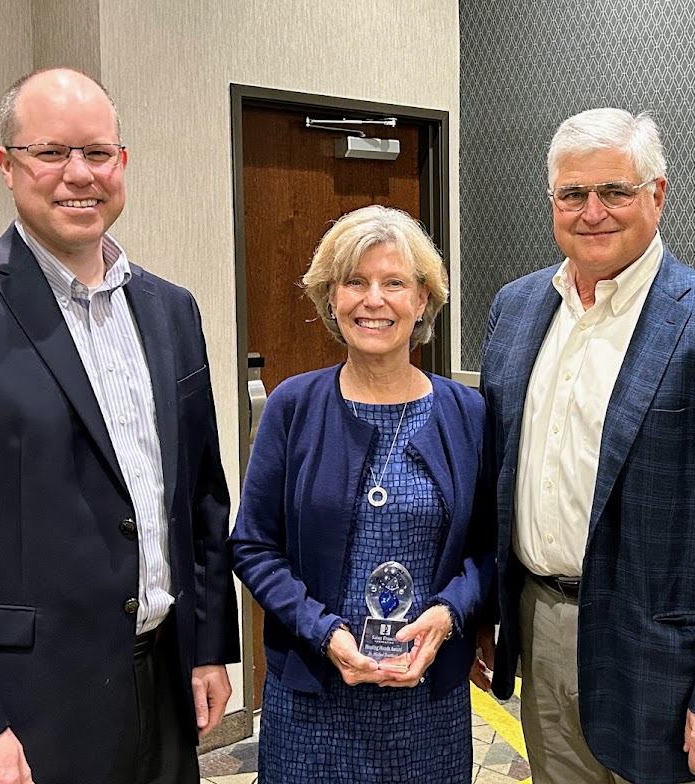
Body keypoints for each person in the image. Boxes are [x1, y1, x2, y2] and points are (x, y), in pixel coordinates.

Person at [0, 68, 239, 784]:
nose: (79, 174)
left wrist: (207, 645)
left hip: (161, 686)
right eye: (50, 152)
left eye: (98, 152)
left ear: (124, 163)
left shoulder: (172, 311)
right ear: (7, 167)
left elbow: (199, 496)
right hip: (20, 711)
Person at [478, 107, 695, 784]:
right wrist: (488, 613)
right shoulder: (515, 309)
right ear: (552, 201)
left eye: (615, 192)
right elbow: (495, 478)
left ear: (657, 194)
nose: (592, 211)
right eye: (572, 194)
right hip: (539, 632)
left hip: (668, 667)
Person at [230, 204, 493, 784]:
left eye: (394, 282)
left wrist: (449, 616)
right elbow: (252, 545)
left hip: (427, 700)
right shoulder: (292, 408)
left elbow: (490, 551)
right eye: (354, 282)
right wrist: (325, 633)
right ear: (332, 298)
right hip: (312, 700)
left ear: (422, 299)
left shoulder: (467, 414)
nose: (373, 300)